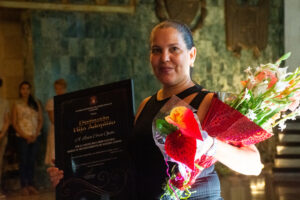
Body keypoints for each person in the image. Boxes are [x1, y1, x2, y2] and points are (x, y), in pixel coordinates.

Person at [48, 20, 263, 199]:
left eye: (174, 49)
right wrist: (70, 174)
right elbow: (124, 165)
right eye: (156, 50)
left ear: (192, 55)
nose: (164, 58)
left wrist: (210, 144)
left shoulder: (210, 102)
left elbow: (254, 164)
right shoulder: (145, 105)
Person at [12, 81, 43, 195]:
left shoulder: (35, 103)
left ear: (30, 90)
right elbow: (14, 122)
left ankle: (31, 184)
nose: (25, 91)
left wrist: (35, 134)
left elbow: (40, 120)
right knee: (23, 161)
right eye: (23, 89)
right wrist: (25, 135)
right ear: (20, 91)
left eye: (27, 89)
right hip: (22, 137)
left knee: (31, 161)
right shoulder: (16, 104)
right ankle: (23, 185)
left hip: (35, 136)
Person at [44, 79, 67, 166]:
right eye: (57, 89)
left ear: (65, 88)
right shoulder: (51, 102)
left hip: (67, 130)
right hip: (57, 130)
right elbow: (53, 120)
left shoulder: (69, 100)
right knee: (55, 154)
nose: (59, 91)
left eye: (61, 88)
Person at [0, 78, 10, 199]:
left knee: (0, 163)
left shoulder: (4, 102)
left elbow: (7, 120)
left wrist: (2, 134)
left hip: (2, 134)